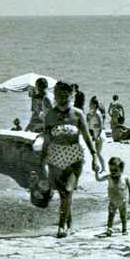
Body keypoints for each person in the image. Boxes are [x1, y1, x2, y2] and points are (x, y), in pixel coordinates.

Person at [41, 80, 98, 239]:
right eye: (58, 94)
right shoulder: (50, 115)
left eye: (65, 94)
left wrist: (94, 156)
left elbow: (87, 136)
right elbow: (46, 139)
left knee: (67, 190)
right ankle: (70, 223)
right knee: (64, 195)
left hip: (74, 156)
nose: (61, 97)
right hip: (55, 156)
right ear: (55, 95)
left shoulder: (77, 114)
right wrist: (41, 160)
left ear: (71, 95)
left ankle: (61, 226)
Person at [95, 156, 130, 236]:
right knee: (111, 216)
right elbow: (98, 179)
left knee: (123, 216)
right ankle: (109, 229)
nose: (113, 172)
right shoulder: (109, 177)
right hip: (112, 201)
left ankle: (124, 229)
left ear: (121, 170)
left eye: (115, 170)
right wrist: (96, 172)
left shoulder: (124, 178)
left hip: (122, 201)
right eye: (111, 170)